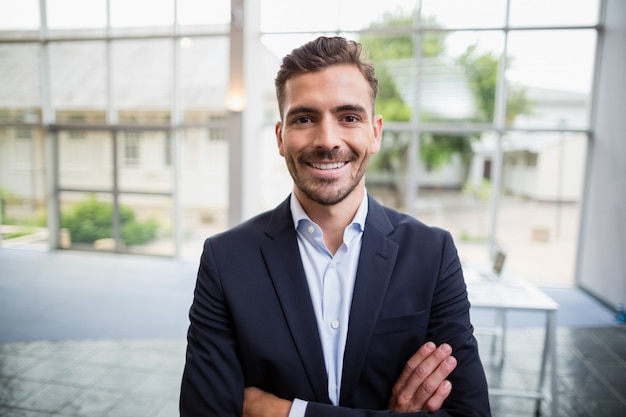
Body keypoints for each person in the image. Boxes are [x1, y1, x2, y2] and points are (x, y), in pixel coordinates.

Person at [180, 36, 491, 417]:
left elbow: (469, 413)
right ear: (281, 137)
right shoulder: (226, 259)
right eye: (305, 118)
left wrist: (287, 413)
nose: (327, 140)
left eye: (349, 117)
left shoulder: (431, 253)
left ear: (375, 132)